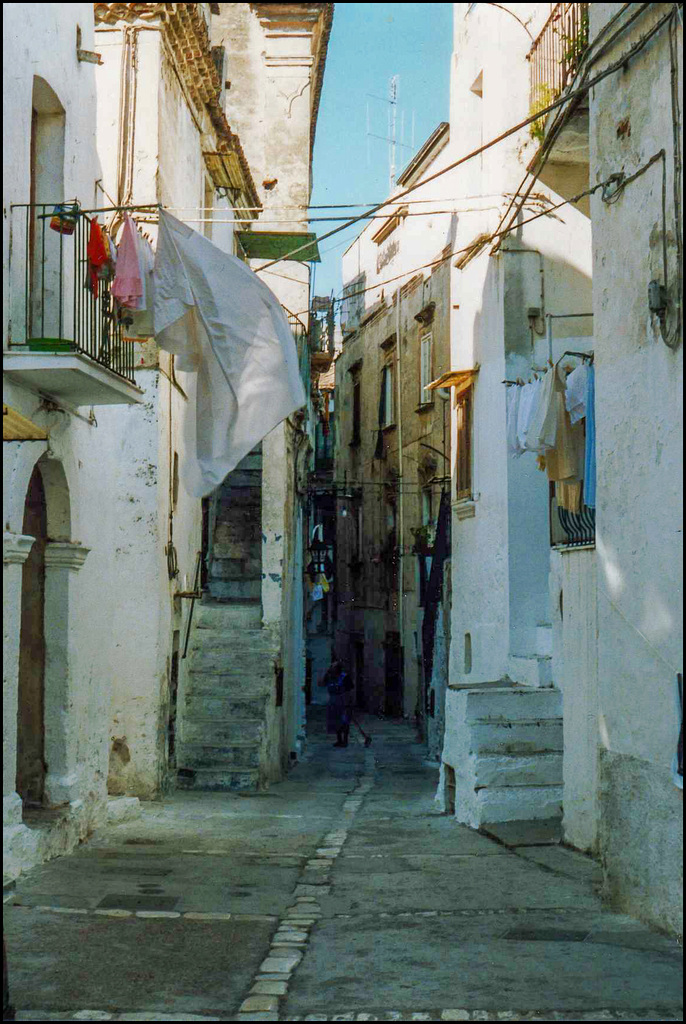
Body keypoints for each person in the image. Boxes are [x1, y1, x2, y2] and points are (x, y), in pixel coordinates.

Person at [319, 659, 355, 748]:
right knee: (335, 721)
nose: (331, 668)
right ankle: (339, 740)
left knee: (345, 722)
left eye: (333, 667)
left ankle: (345, 741)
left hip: (343, 701)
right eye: (331, 667)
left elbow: (350, 690)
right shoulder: (329, 677)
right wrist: (325, 673)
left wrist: (349, 702)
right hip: (333, 701)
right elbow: (321, 684)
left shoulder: (345, 677)